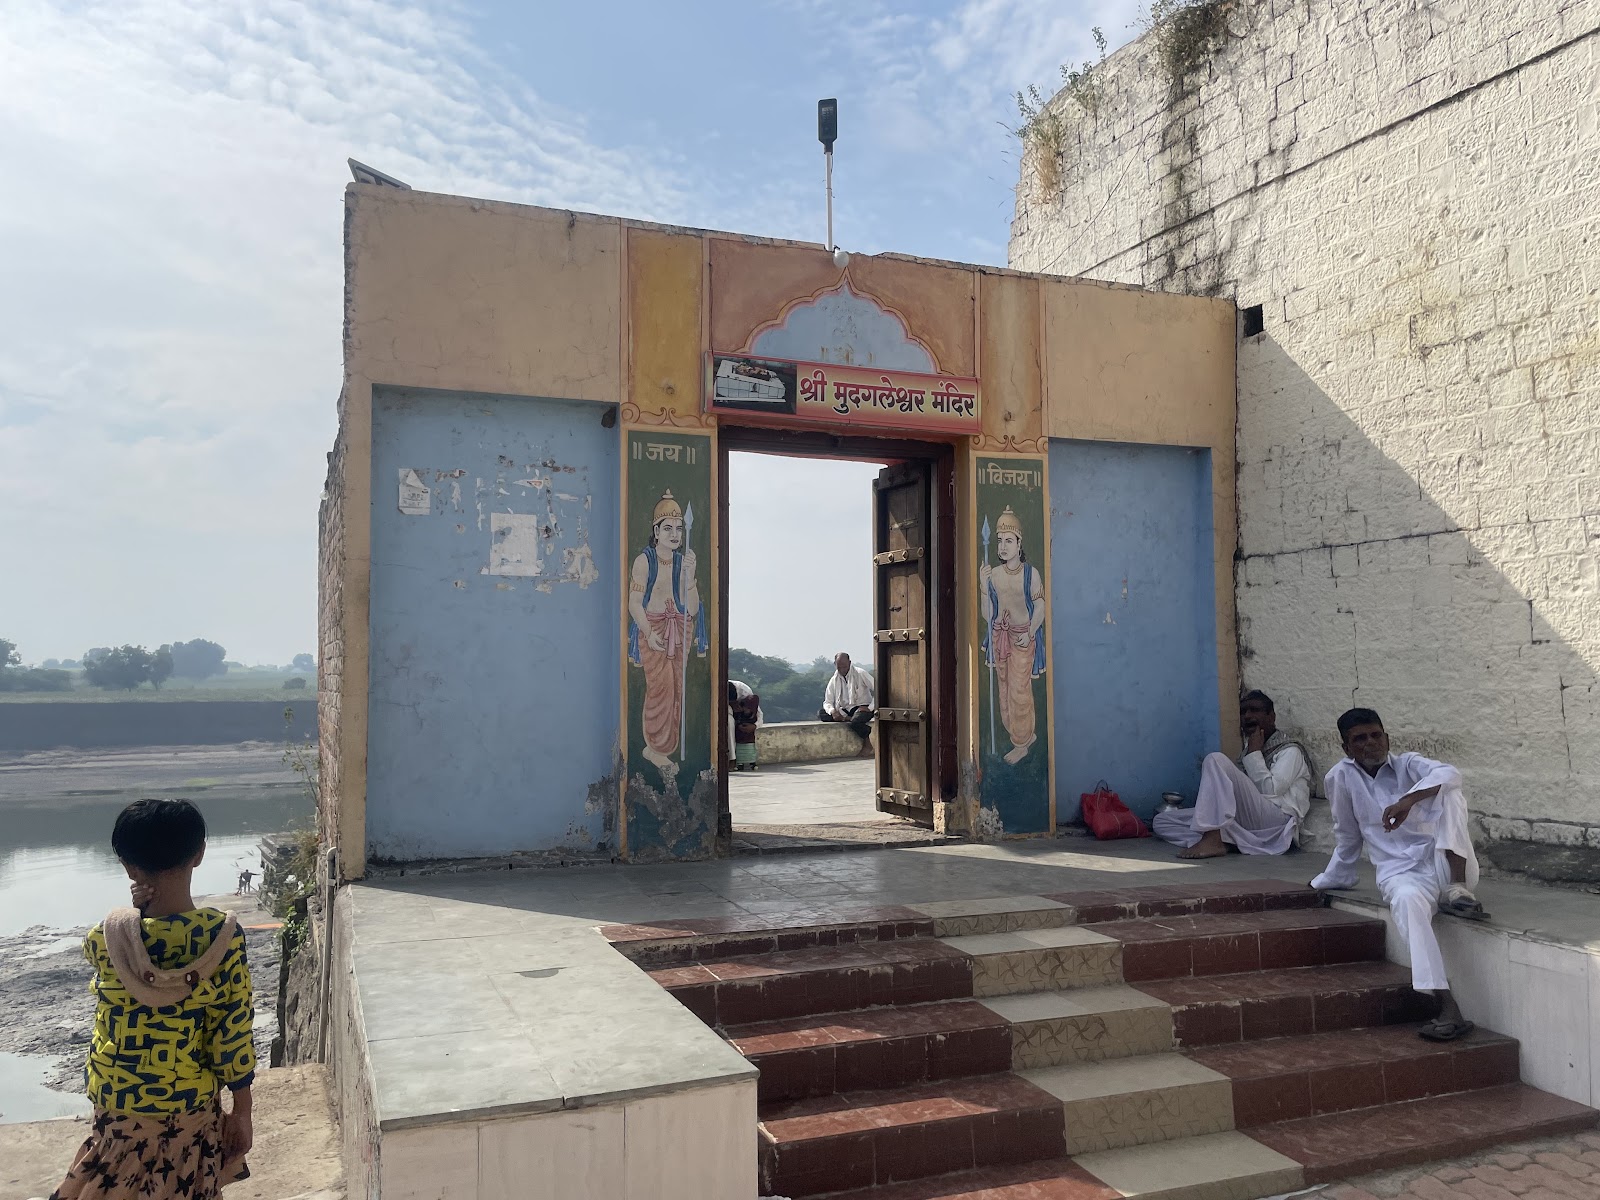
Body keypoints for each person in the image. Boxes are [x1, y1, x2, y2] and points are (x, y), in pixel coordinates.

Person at [51, 798, 255, 1200]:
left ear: (128, 866)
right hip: (188, 1108)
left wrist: (136, 913)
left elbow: (124, 952)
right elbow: (230, 1035)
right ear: (199, 854)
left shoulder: (105, 938)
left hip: (117, 1102)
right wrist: (243, 1112)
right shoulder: (224, 939)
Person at [1311, 707, 1484, 1042]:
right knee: (1405, 901)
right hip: (1399, 873)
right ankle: (1446, 1004)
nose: (1371, 743)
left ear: (1387, 738)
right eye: (1359, 739)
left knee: (1449, 789)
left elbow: (1451, 773)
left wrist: (1409, 799)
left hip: (1447, 864)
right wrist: (1328, 879)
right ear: (1347, 748)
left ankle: (1457, 890)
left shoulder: (1408, 764)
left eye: (1376, 735)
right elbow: (1347, 835)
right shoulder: (1340, 778)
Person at [1152, 690, 1313, 859]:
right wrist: (1251, 753)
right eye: (1243, 712)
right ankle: (1228, 842)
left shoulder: (1290, 750)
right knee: (1163, 821)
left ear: (1271, 716)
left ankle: (1212, 837)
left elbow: (1270, 789)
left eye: (1254, 710)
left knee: (1215, 759)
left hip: (1275, 820)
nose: (1247, 716)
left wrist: (1254, 754)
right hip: (1246, 819)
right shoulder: (1247, 752)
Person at [628, 490, 707, 787]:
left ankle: (661, 748)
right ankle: (654, 748)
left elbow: (694, 608)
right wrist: (648, 632)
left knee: (677, 691)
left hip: (680, 628)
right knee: (660, 689)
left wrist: (691, 576)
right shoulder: (644, 561)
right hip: (655, 631)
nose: (674, 534)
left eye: (678, 529)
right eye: (667, 528)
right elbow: (634, 603)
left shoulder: (683, 561)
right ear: (656, 531)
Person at [979, 506, 1046, 765]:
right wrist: (984, 590)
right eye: (1000, 541)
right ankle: (1022, 736)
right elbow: (989, 615)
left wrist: (1029, 633)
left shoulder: (1031, 574)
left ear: (1019, 543)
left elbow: (1039, 606)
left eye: (1009, 540)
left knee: (1019, 691)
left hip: (1022, 638)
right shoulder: (993, 575)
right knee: (1004, 692)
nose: (1003, 546)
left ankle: (1021, 743)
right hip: (999, 638)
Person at [819, 651, 875, 751]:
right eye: (839, 667)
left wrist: (870, 707)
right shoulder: (834, 679)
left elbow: (879, 689)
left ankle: (867, 743)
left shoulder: (860, 673)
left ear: (849, 663)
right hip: (844, 709)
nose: (842, 669)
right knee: (822, 714)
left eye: (844, 666)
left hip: (862, 708)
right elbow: (827, 701)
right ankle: (847, 718)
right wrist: (833, 711)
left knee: (856, 722)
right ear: (835, 665)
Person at [731, 685, 762, 771]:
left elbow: (759, 715)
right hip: (739, 736)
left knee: (750, 749)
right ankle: (738, 763)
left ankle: (752, 762)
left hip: (749, 737)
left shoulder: (745, 692)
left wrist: (754, 726)